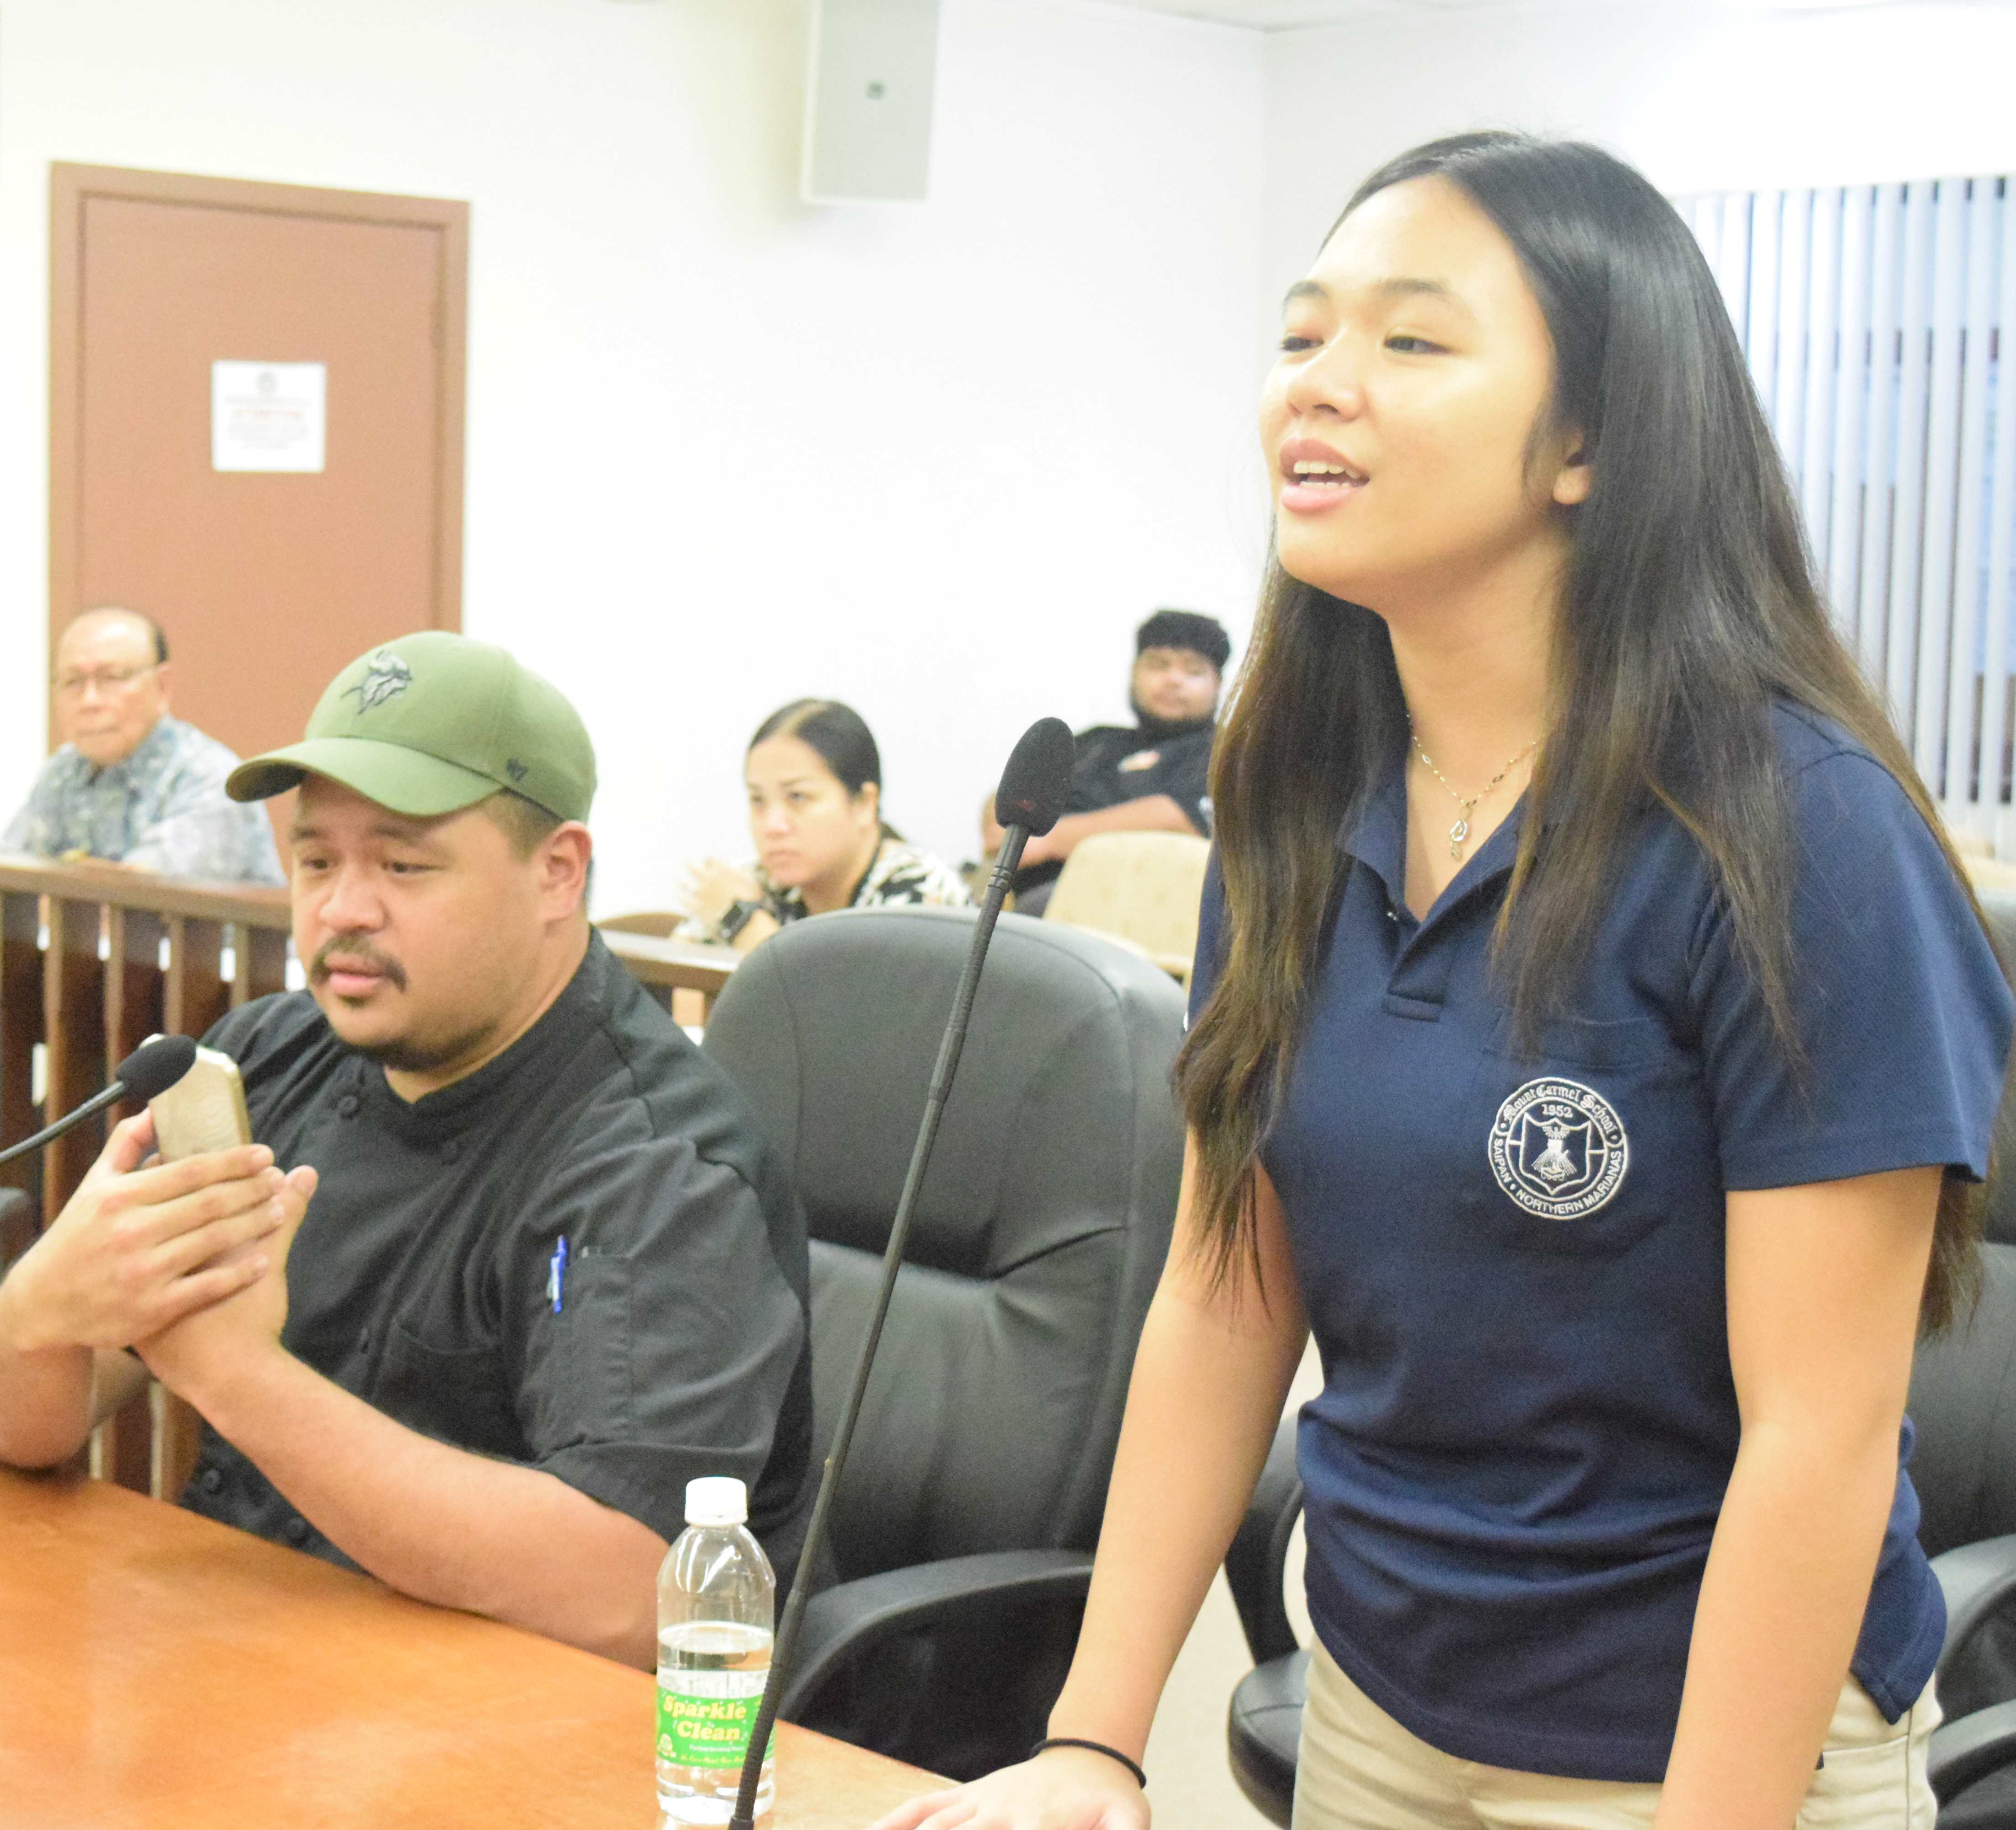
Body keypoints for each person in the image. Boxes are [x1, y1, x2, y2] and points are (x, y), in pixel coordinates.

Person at [876, 132, 2012, 1830]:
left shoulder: (1794, 829)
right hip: (1377, 1702)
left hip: (1708, 1751)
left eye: (1410, 342)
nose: (1317, 390)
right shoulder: (1294, 788)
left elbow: (1819, 1440)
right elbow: (1223, 1287)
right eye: (1301, 335)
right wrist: (1091, 1737)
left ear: (1585, 442)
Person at [0, 631, 817, 1667]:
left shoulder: (653, 1165)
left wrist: (233, 1374)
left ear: (556, 872)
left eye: (404, 863)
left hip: (500, 1736)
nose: (342, 910)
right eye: (316, 860)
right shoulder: (258, 1061)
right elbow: (17, 1422)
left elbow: (630, 1593)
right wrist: (49, 1303)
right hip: (239, 1665)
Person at [0, 605, 284, 884]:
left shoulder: (211, 777)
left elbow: (138, 904)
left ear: (162, 687)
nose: (90, 701)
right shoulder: (64, 771)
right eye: (73, 682)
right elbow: (6, 877)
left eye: (111, 678)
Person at [677, 697, 968, 952]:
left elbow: (840, 1011)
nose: (772, 825)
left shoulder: (921, 892)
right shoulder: (755, 883)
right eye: (758, 800)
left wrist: (742, 922)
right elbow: (667, 994)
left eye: (798, 797)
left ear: (864, 804)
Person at [992, 610, 1227, 916]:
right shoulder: (1096, 741)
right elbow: (1010, 797)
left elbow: (1178, 818)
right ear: (1134, 673)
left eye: (1193, 671)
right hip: (1035, 900)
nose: (1173, 680)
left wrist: (1046, 840)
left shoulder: (1228, 755)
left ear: (1218, 684)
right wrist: (1001, 816)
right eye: (1158, 665)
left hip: (1144, 908)